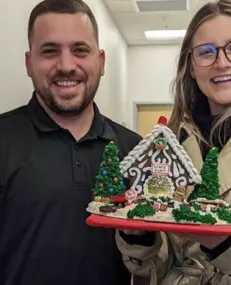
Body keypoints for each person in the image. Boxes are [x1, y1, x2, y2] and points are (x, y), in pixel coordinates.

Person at [115, 0, 231, 284]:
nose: (221, 62)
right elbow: (158, 266)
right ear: (191, 66)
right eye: (206, 52)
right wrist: (142, 238)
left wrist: (220, 236)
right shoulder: (172, 140)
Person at [0, 0, 142, 285]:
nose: (66, 66)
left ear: (101, 62)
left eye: (80, 50)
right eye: (50, 51)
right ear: (29, 64)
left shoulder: (135, 151)